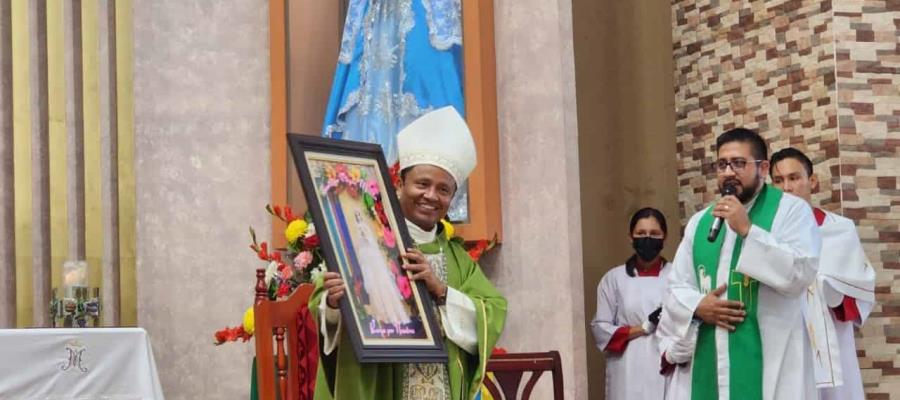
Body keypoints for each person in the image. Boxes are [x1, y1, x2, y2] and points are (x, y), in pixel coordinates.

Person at [310, 106, 507, 400]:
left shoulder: (458, 261)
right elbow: (323, 307)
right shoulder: (363, 240)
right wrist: (335, 304)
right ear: (400, 184)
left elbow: (493, 311)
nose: (431, 196)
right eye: (422, 184)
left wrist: (441, 291)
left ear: (451, 198)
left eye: (444, 190)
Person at [663, 127, 821, 399]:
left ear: (763, 168)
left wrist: (749, 231)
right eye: (722, 164)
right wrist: (698, 306)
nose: (728, 172)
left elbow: (801, 273)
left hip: (772, 358)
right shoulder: (702, 222)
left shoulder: (791, 211)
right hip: (710, 354)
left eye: (738, 163)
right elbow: (676, 285)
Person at [770, 147, 875, 400]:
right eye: (778, 180)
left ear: (812, 181)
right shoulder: (765, 235)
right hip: (785, 340)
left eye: (794, 178)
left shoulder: (839, 229)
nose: (786, 188)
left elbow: (859, 293)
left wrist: (834, 293)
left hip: (832, 341)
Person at [591, 207, 672, 399]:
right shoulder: (614, 279)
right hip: (627, 370)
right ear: (630, 236)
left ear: (664, 237)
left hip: (667, 368)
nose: (647, 238)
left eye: (654, 233)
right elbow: (600, 329)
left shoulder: (677, 276)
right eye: (641, 233)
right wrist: (643, 327)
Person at [352, 210, 411, 327]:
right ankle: (384, 318)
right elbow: (360, 249)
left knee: (385, 287)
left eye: (359, 215)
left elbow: (372, 242)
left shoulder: (365, 228)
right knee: (376, 290)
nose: (358, 217)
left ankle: (397, 318)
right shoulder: (357, 232)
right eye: (356, 216)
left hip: (376, 262)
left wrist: (366, 237)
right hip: (368, 264)